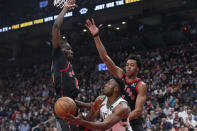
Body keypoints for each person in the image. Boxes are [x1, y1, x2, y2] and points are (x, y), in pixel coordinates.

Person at [85, 18, 146, 131]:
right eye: (127, 64)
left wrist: (119, 119)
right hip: (115, 121)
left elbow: (138, 111)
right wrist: (96, 36)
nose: (128, 67)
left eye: (132, 65)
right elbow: (105, 58)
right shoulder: (120, 75)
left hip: (132, 123)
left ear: (138, 69)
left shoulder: (140, 84)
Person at [51, 1, 80, 130]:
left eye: (71, 49)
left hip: (72, 105)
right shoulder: (59, 58)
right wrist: (65, 9)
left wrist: (89, 104)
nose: (71, 51)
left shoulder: (69, 65)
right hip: (64, 107)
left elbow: (72, 98)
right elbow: (56, 26)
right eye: (67, 49)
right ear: (60, 50)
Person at [66, 77, 132, 131]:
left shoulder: (122, 106)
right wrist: (92, 111)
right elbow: (88, 120)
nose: (105, 85)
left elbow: (105, 126)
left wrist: (79, 122)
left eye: (109, 84)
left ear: (116, 89)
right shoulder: (101, 99)